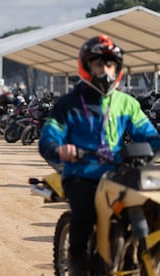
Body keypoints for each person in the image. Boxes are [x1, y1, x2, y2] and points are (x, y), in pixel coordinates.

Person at [38, 34, 160, 275]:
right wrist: (60, 148)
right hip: (81, 173)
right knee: (84, 213)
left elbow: (150, 135)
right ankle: (76, 259)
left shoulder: (127, 103)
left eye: (110, 64)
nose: (105, 69)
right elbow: (48, 138)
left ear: (117, 68)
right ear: (86, 66)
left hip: (120, 173)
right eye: (98, 64)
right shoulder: (68, 104)